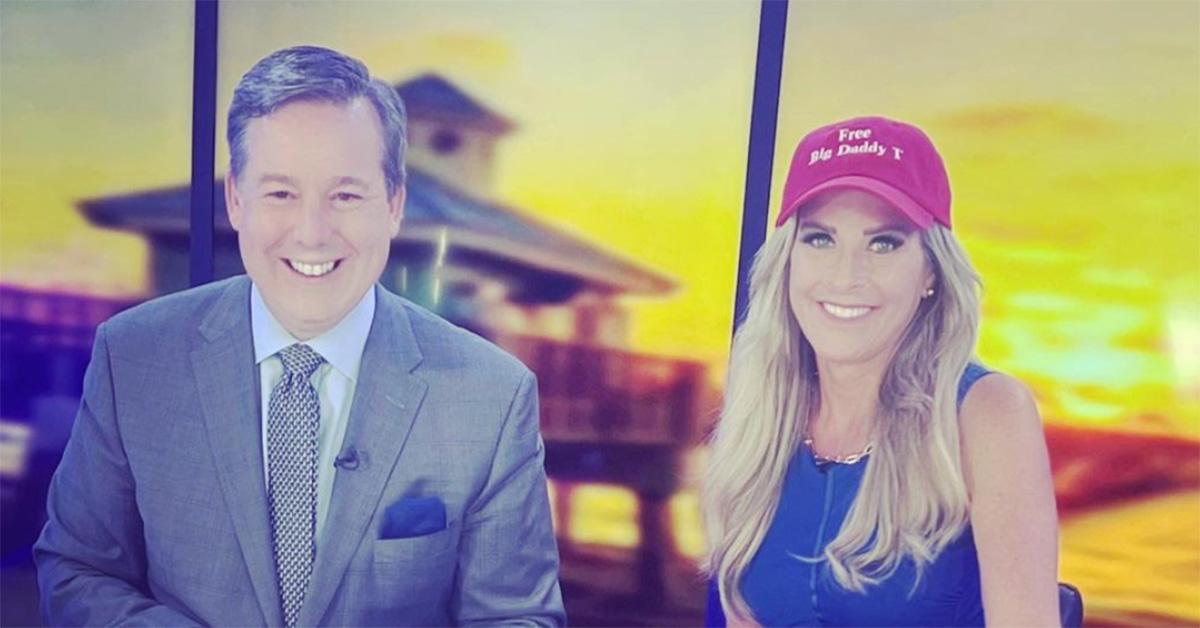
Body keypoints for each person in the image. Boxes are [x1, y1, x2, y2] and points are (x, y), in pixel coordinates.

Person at [35, 46, 565, 627]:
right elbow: (78, 571)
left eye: (345, 195)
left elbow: (517, 617)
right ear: (236, 200)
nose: (311, 234)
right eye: (281, 193)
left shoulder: (492, 395)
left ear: (393, 205)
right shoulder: (133, 357)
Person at [702, 116, 1060, 626]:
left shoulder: (988, 413)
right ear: (788, 262)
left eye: (884, 242)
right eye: (820, 239)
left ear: (931, 272)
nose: (846, 275)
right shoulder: (760, 407)